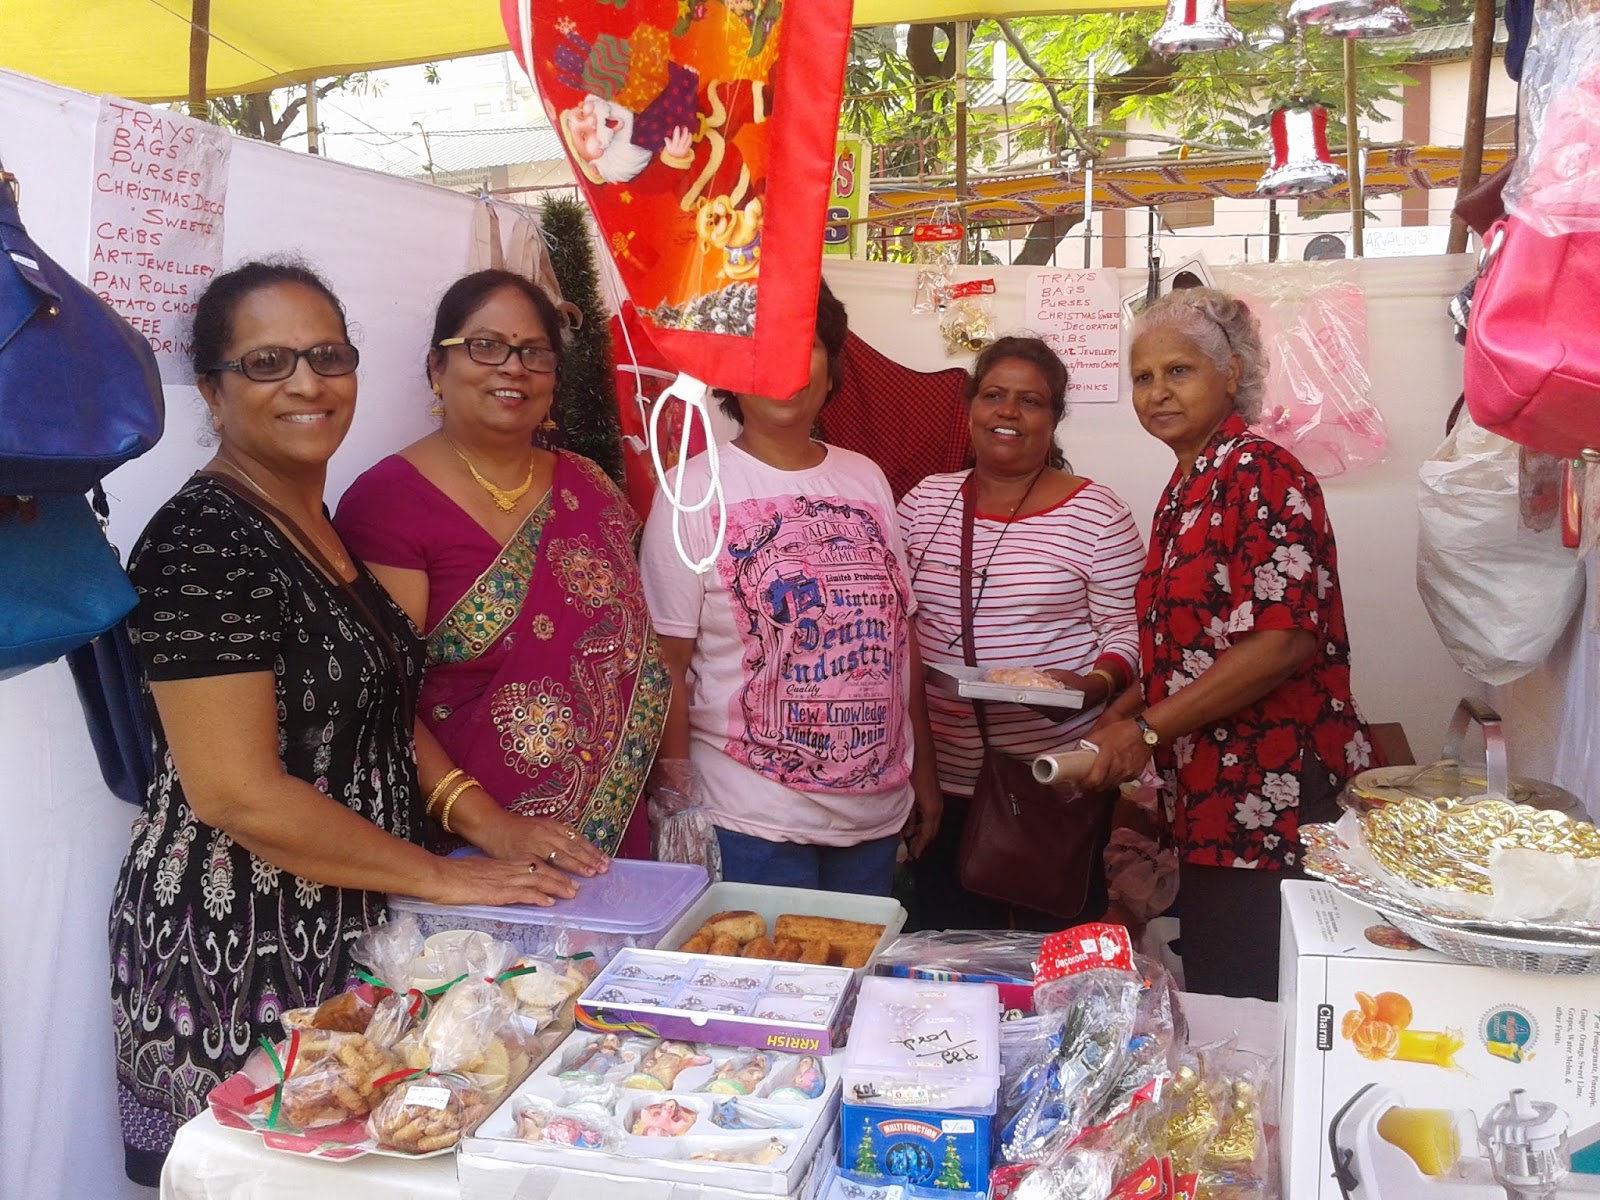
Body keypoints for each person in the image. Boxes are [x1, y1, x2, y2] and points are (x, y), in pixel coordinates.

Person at [109, 261, 559, 1183]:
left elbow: (380, 721)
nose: (307, 382)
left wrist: (486, 826)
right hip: (235, 953)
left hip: (347, 928)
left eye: (327, 355)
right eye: (268, 361)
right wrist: (443, 878)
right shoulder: (202, 541)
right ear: (213, 389)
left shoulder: (319, 524)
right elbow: (238, 794)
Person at [1082, 287, 1381, 1001]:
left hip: (1278, 802)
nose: (1157, 392)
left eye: (1178, 371)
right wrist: (1122, 714)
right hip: (1214, 803)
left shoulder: (1260, 473)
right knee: (1224, 997)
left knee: (1265, 1009)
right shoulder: (1187, 485)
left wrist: (1147, 729)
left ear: (1231, 372)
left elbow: (1283, 642)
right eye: (1144, 377)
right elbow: (1188, 650)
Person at [336, 269, 667, 865]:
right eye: (485, 346)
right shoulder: (388, 502)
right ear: (438, 367)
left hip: (615, 832)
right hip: (473, 850)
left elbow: (636, 656)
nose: (513, 367)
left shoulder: (588, 485)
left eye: (534, 353)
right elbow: (378, 697)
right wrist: (489, 825)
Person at [639, 281, 942, 895]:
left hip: (874, 820)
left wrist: (924, 776)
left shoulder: (867, 478)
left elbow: (898, 639)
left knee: (855, 985)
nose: (782, 369)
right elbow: (665, 663)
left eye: (802, 347)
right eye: (762, 348)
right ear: (730, 372)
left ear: (832, 370)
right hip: (749, 819)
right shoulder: (691, 493)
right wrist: (676, 802)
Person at [898, 336, 1145, 932]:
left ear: (1054, 418)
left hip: (1051, 782)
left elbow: (1132, 631)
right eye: (993, 396)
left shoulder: (1098, 513)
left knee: (1052, 953)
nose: (1008, 412)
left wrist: (1094, 683)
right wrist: (916, 773)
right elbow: (893, 628)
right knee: (944, 956)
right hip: (942, 781)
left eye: (1030, 401)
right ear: (971, 407)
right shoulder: (922, 503)